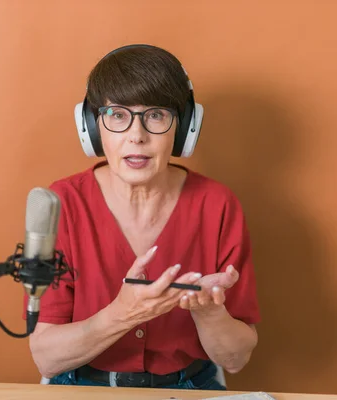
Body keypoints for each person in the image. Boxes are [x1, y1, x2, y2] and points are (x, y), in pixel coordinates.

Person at [26, 44, 260, 391]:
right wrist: (121, 315)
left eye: (155, 115)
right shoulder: (64, 202)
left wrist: (210, 314)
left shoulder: (217, 204)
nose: (137, 135)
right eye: (118, 115)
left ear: (183, 129)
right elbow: (46, 357)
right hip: (82, 387)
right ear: (92, 126)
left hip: (189, 388)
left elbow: (236, 359)